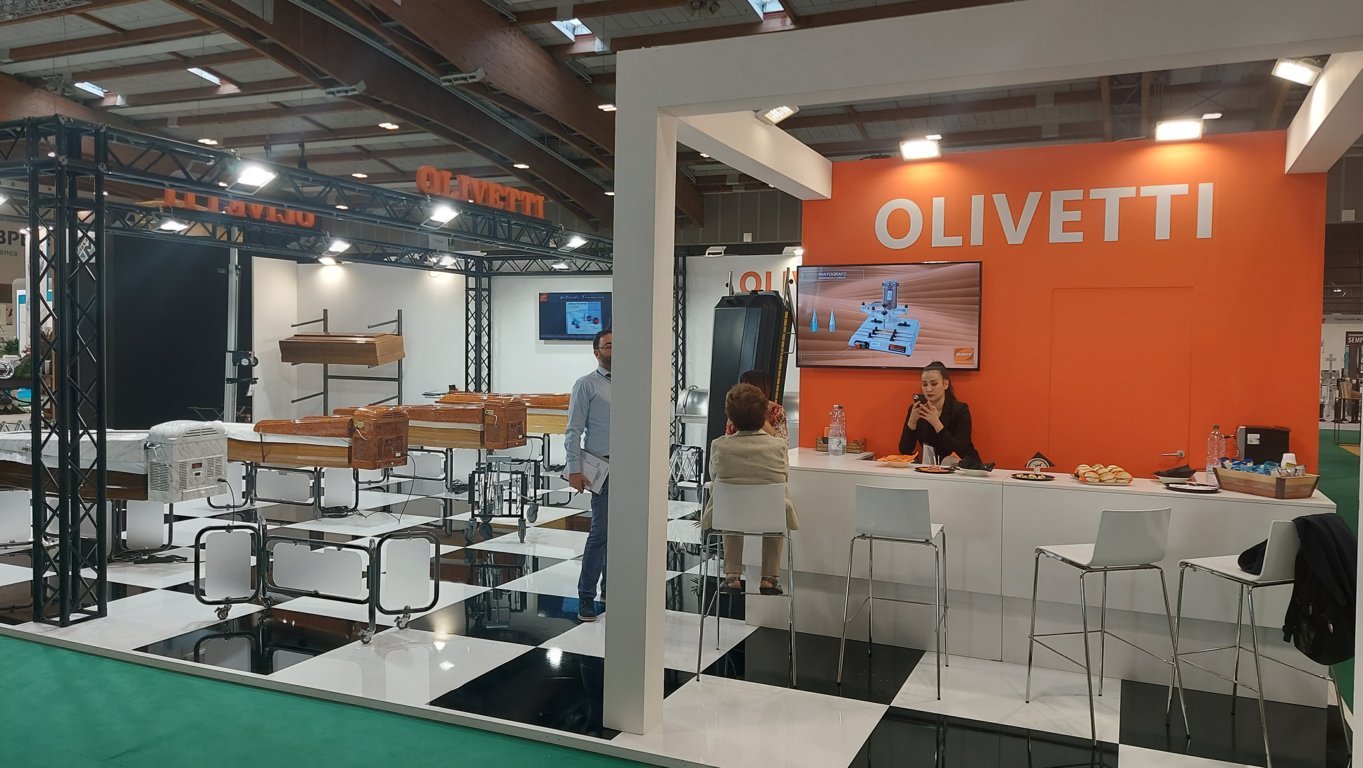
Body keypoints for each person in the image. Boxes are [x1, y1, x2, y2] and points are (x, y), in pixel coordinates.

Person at [702, 383, 799, 595]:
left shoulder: (719, 446)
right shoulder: (779, 446)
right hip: (770, 516)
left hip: (730, 515)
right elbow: (784, 477)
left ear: (730, 417)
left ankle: (732, 576)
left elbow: (714, 477)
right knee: (775, 509)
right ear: (763, 415)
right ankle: (769, 577)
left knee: (731, 505)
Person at [565, 328, 611, 622]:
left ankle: (611, 589)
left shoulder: (634, 383)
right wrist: (574, 469)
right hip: (602, 467)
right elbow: (573, 430)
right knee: (601, 532)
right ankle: (585, 597)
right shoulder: (586, 385)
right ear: (597, 352)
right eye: (609, 345)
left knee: (623, 533)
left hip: (632, 468)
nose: (615, 350)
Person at [899, 360, 981, 465]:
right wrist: (911, 423)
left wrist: (937, 424)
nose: (929, 389)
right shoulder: (916, 410)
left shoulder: (960, 410)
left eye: (934, 384)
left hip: (962, 467)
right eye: (924, 384)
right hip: (931, 468)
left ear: (945, 384)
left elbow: (960, 450)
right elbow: (904, 450)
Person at [724, 369, 788, 440]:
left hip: (766, 446)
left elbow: (782, 441)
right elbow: (728, 438)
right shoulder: (736, 408)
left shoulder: (776, 410)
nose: (742, 391)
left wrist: (758, 415)